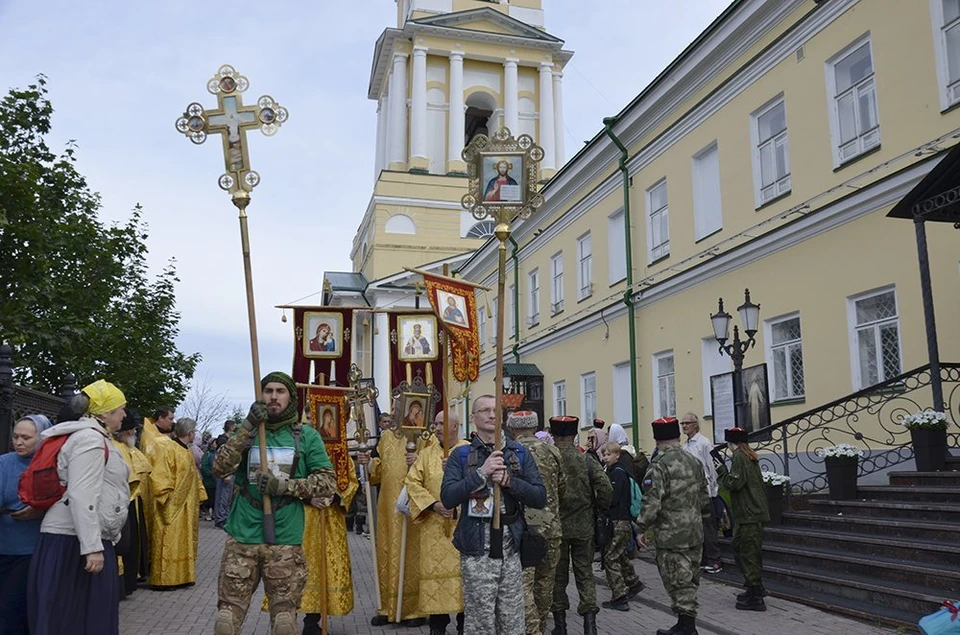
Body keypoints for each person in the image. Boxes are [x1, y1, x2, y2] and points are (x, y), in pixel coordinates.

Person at [213, 371, 337, 635]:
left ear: (291, 397)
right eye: (268, 391)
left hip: (284, 536)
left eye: (280, 391)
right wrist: (246, 426)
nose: (273, 397)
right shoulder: (247, 433)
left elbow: (327, 483)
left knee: (284, 620)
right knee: (227, 618)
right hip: (242, 534)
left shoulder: (306, 436)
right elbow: (220, 468)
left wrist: (285, 486)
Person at [28, 381, 131, 635]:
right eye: (120, 409)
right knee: (77, 620)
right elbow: (81, 494)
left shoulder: (91, 437)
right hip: (75, 543)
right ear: (104, 413)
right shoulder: (90, 440)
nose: (125, 415)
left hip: (78, 540)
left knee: (73, 618)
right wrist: (93, 547)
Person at [440, 395, 547, 635]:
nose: (491, 415)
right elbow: (448, 497)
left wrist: (510, 482)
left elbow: (540, 497)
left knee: (512, 621)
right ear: (473, 417)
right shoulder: (461, 455)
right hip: (477, 551)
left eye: (495, 410)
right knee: (480, 622)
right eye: (484, 410)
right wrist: (481, 473)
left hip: (511, 549)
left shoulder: (518, 453)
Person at [638, 417, 712, 635]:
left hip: (672, 535)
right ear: (677, 437)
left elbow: (652, 502)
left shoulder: (659, 466)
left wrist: (641, 527)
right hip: (694, 532)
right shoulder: (693, 461)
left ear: (656, 439)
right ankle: (683, 623)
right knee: (690, 579)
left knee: (678, 582)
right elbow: (703, 496)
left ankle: (688, 628)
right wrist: (706, 518)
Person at [358, 411, 428, 626]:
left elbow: (435, 465)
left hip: (412, 509)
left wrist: (419, 460)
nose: (400, 412)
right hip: (388, 509)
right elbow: (377, 470)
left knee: (411, 556)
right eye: (397, 407)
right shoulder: (387, 436)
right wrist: (367, 463)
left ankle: (413, 611)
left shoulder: (425, 437)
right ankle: (387, 607)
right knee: (387, 552)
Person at [405, 410, 469, 635]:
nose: (437, 428)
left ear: (455, 426)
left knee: (464, 584)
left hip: (463, 527)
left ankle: (464, 626)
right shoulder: (426, 454)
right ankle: (437, 627)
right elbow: (412, 482)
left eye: (442, 423)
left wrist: (459, 504)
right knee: (436, 585)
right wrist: (434, 505)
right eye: (435, 423)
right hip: (434, 529)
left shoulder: (468, 450)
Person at [548, 415, 611, 635]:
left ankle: (561, 626)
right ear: (574, 435)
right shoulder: (585, 459)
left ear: (553, 435)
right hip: (584, 527)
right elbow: (605, 489)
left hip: (557, 527)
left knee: (558, 576)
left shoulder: (550, 458)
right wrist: (600, 509)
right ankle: (590, 625)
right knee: (585, 573)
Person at [505, 410, 566, 635]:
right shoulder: (552, 451)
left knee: (522, 587)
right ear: (535, 426)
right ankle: (539, 626)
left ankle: (532, 631)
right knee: (545, 585)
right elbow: (562, 488)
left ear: (512, 429)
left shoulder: (510, 452)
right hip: (551, 526)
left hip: (524, 529)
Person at [0, 414, 53, 635]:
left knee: (16, 609)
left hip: (34, 550)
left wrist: (41, 507)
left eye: (26, 438)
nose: (19, 442)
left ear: (41, 438)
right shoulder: (5, 463)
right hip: (5, 547)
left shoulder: (51, 465)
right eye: (15, 436)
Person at [716, 427, 769, 612]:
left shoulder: (739, 456)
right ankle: (754, 587)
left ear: (731, 443)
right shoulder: (749, 455)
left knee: (747, 552)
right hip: (750, 513)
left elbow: (734, 483)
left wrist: (721, 471)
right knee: (742, 547)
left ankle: (755, 594)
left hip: (749, 514)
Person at [150, 417, 207, 589]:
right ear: (189, 433)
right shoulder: (169, 448)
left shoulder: (187, 451)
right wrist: (168, 500)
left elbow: (194, 477)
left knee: (183, 542)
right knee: (170, 541)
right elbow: (161, 476)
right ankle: (165, 579)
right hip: (172, 507)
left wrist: (199, 495)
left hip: (187, 507)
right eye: (194, 432)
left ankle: (183, 576)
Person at [111, 408, 153, 597]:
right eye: (134, 430)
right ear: (128, 432)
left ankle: (130, 581)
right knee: (123, 545)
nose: (136, 434)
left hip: (134, 501)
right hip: (123, 502)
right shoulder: (118, 448)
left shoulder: (130, 448)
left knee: (131, 545)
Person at [598, 442, 643, 612]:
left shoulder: (617, 473)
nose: (605, 458)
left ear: (617, 455)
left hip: (618, 521)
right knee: (620, 554)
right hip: (623, 522)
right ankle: (633, 582)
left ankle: (619, 596)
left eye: (608, 454)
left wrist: (601, 500)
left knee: (610, 558)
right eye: (604, 454)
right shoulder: (618, 471)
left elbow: (613, 498)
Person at [680, 413, 722, 574]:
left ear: (695, 425)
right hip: (689, 492)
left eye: (687, 423)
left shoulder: (704, 443)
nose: (684, 426)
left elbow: (712, 468)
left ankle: (714, 559)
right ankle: (702, 558)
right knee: (695, 528)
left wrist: (712, 489)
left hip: (704, 491)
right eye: (682, 423)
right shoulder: (686, 446)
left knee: (708, 527)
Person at [214, 420, 238, 528]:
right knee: (223, 496)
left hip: (230, 472)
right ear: (231, 427)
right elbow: (223, 457)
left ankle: (224, 516)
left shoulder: (226, 439)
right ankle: (220, 518)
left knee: (227, 497)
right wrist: (226, 474)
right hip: (226, 473)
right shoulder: (223, 440)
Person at [201, 438, 219, 522]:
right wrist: (210, 473)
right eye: (214, 442)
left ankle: (215, 514)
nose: (215, 444)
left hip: (216, 481)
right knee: (208, 498)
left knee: (215, 498)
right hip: (209, 481)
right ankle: (207, 513)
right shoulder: (207, 454)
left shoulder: (217, 453)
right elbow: (203, 466)